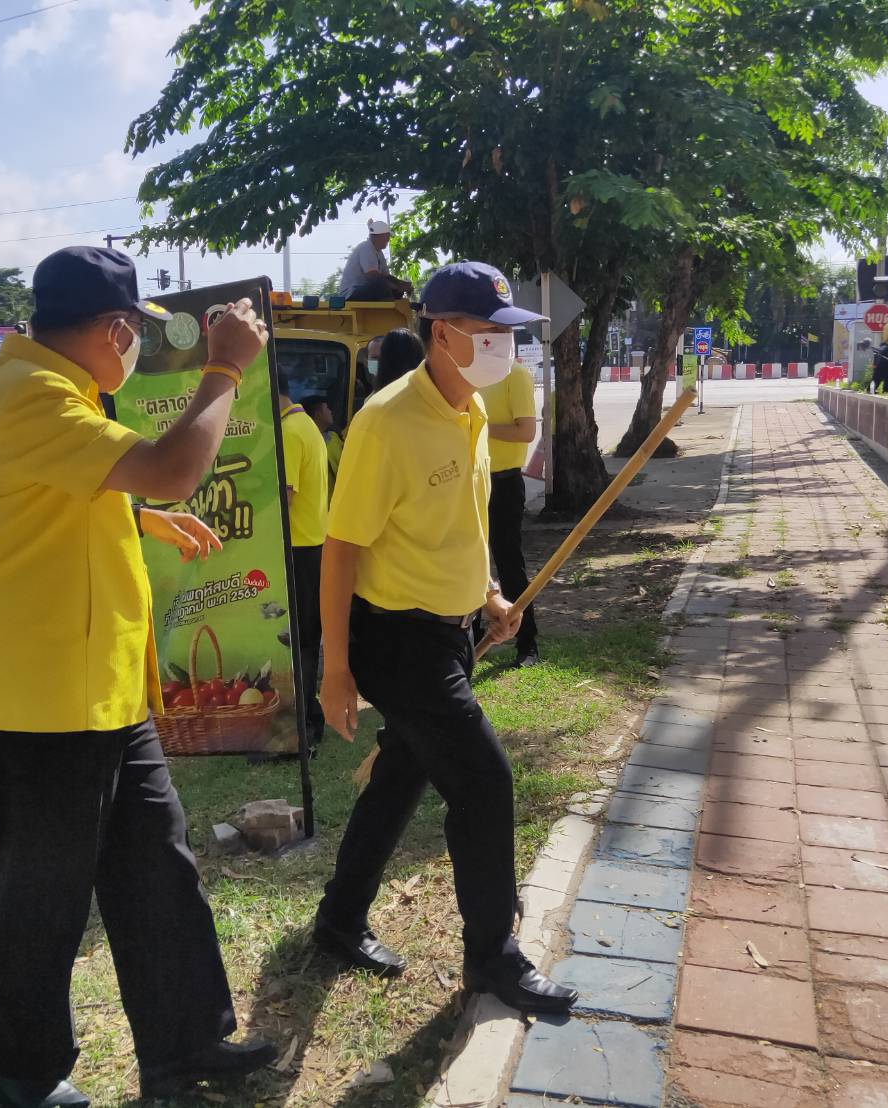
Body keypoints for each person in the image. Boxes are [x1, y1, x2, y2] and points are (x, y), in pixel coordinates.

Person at [0, 246, 274, 1108]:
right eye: (131, 334)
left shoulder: (49, 390)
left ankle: (186, 1042)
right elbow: (169, 463)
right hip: (33, 709)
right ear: (115, 328)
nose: (132, 349)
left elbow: (68, 491)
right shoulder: (29, 393)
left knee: (157, 874)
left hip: (96, 697)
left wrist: (136, 512)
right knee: (39, 904)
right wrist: (225, 367)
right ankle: (17, 1077)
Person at [312, 261, 577, 1016]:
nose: (502, 347)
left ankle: (337, 919)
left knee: (400, 776)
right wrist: (337, 670)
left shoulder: (470, 412)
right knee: (483, 784)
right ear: (441, 332)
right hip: (398, 643)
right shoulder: (386, 422)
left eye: (508, 335)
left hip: (451, 631)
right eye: (487, 333)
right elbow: (340, 548)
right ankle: (493, 957)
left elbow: (458, 527)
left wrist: (488, 594)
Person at [277, 373, 330, 748]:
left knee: (298, 641)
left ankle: (302, 725)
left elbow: (286, 497)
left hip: (299, 549)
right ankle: (308, 718)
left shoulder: (290, 432)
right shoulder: (303, 425)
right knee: (305, 640)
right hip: (311, 547)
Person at [478, 356, 541, 667]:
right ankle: (472, 642)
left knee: (509, 563)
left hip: (503, 482)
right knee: (469, 561)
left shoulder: (515, 375)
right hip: (470, 481)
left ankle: (527, 642)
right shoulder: (469, 376)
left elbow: (526, 431)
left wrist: (480, 426)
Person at [339, 219, 414, 301]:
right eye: (387, 236)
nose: (388, 240)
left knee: (395, 290)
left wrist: (401, 284)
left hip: (365, 290)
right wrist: (397, 286)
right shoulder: (366, 248)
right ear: (379, 236)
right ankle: (387, 309)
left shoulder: (379, 252)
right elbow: (373, 276)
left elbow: (386, 276)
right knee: (381, 284)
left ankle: (393, 309)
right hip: (351, 293)